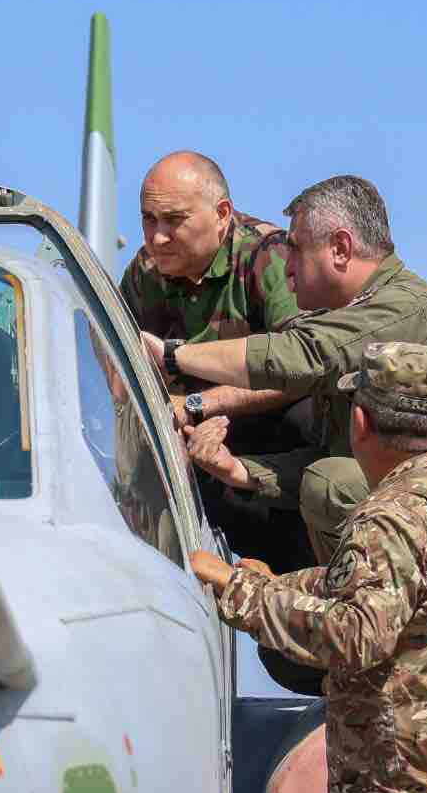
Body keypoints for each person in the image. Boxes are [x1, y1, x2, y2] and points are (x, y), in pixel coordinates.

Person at [190, 342, 427, 793]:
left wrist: (241, 590)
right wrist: (278, 584)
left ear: (359, 422)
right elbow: (395, 589)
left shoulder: (390, 517)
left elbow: (355, 634)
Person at [147, 174, 427, 563]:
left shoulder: (402, 309)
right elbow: (339, 455)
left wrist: (173, 356)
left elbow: (303, 355)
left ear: (341, 249)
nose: (287, 267)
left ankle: (350, 598)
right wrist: (240, 471)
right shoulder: (356, 316)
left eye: (296, 249)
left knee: (329, 483)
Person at [120, 151, 311, 561]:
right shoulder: (144, 273)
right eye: (148, 220)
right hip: (187, 445)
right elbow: (118, 376)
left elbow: (304, 367)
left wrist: (196, 405)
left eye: (174, 220)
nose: (157, 238)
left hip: (271, 446)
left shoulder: (269, 257)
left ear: (221, 214)